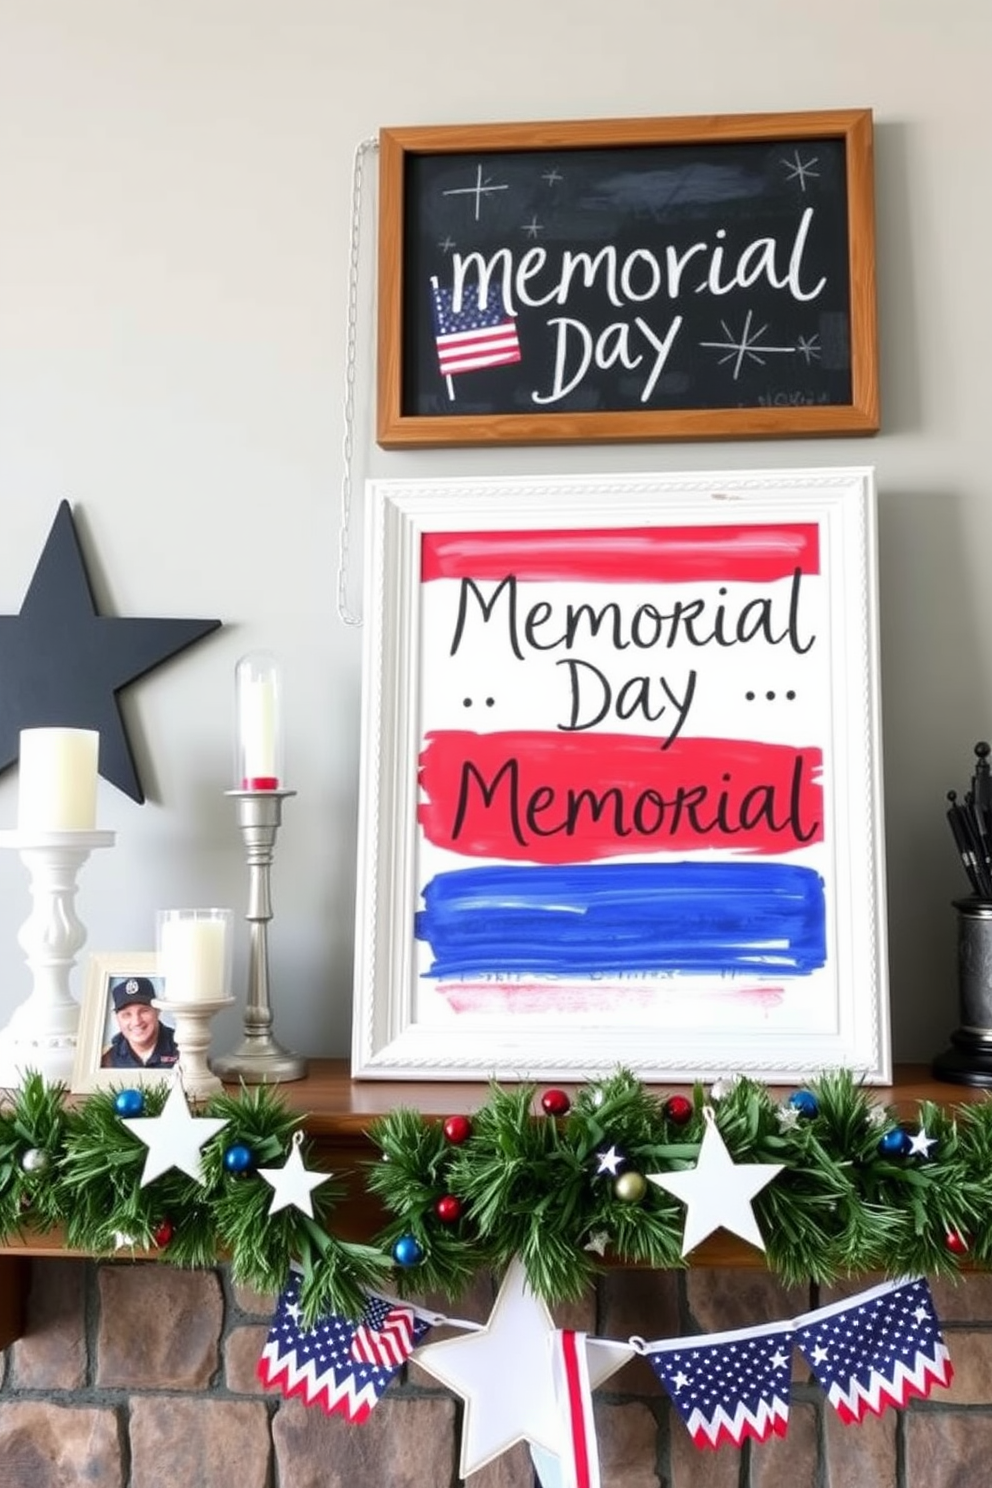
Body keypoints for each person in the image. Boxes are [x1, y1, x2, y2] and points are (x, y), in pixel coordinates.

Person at [100, 976, 179, 1069]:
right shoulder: (106, 1058)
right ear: (116, 1018)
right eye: (127, 1014)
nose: (136, 1022)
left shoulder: (182, 1048)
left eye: (144, 1011)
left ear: (157, 1011)